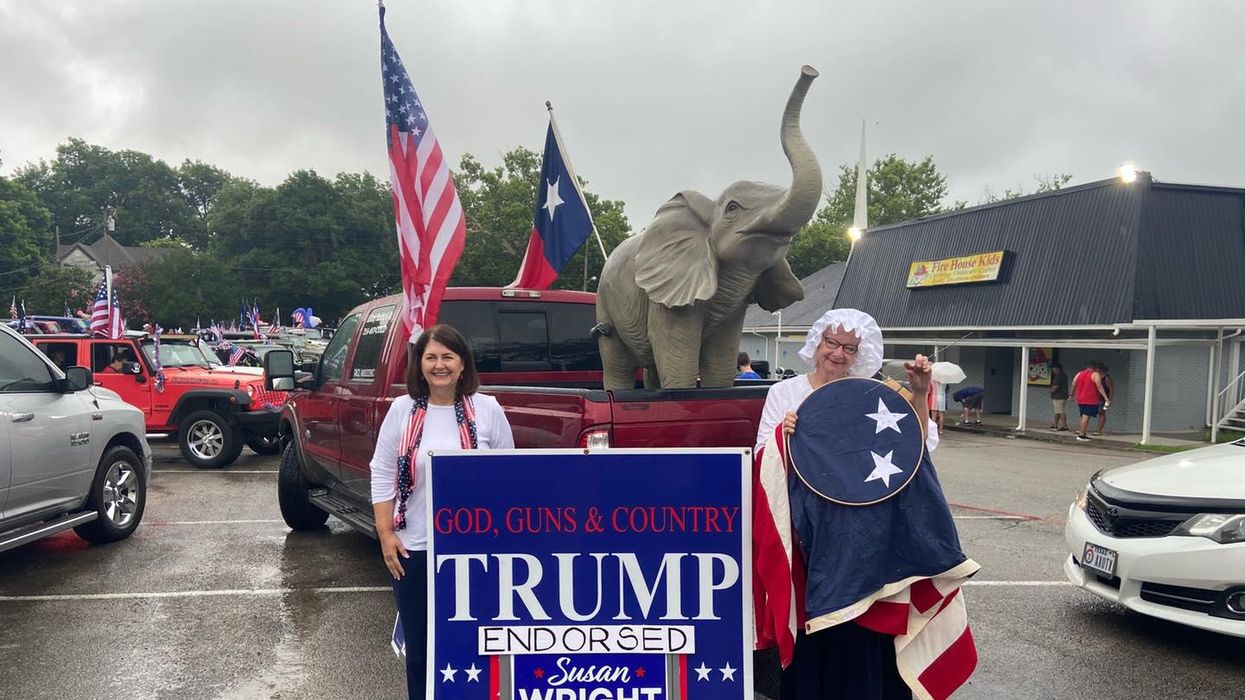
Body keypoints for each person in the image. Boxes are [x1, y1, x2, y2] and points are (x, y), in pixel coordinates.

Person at [753, 308, 940, 699]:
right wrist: (780, 436)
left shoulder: (876, 394)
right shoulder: (783, 393)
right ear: (817, 342)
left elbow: (917, 446)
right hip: (807, 537)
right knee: (814, 629)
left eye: (849, 348)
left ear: (862, 353)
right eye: (831, 343)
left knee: (864, 632)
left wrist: (920, 394)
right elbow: (761, 458)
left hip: (863, 539)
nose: (838, 354)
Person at [369, 324, 515, 699]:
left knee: (475, 644)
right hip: (414, 549)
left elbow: (508, 476)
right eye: (430, 357)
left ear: (463, 364)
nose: (439, 365)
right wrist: (386, 534)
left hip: (477, 551)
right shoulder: (401, 411)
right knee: (420, 648)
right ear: (419, 366)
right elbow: (382, 472)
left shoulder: (487, 410)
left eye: (448, 357)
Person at [1071, 360, 1109, 442]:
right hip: (1090, 399)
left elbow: (1073, 383)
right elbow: (1099, 386)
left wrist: (1071, 395)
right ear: (1095, 368)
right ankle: (1081, 435)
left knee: (1083, 416)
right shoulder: (1095, 374)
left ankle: (1082, 432)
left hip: (1080, 398)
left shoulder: (1079, 373)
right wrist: (1105, 397)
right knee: (1086, 416)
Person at [1048, 362, 1070, 431]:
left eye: (1053, 368)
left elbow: (1055, 387)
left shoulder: (1059, 376)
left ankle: (1065, 426)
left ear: (1057, 369)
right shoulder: (1063, 375)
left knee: (1060, 411)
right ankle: (1055, 424)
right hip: (1061, 396)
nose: (1052, 369)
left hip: (1059, 396)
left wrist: (1051, 391)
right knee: (1057, 411)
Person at [1095, 364, 1115, 435]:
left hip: (1104, 399)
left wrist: (1110, 399)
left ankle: (1099, 430)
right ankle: (1098, 429)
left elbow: (1111, 389)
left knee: (1102, 412)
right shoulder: (1097, 377)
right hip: (1097, 398)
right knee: (1098, 412)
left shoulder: (1106, 378)